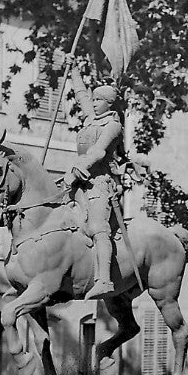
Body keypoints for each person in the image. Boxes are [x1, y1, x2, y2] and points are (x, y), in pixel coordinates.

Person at [61, 63, 126, 299]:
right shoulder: (92, 118)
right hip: (80, 180)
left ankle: (104, 280)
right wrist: (74, 70)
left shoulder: (113, 126)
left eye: (98, 100)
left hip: (99, 182)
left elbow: (99, 152)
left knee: (98, 229)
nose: (94, 102)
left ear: (109, 103)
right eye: (94, 99)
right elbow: (80, 96)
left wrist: (79, 167)